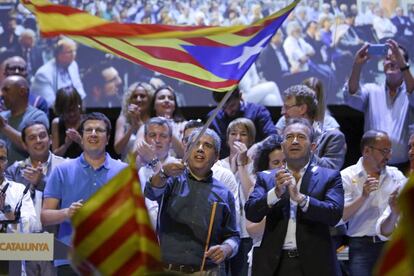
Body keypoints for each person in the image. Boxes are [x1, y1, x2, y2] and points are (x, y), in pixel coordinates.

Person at [245, 118, 344, 275]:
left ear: (313, 147)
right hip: (274, 265)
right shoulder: (266, 178)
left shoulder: (330, 176)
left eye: (301, 137)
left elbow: (334, 215)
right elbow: (251, 213)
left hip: (315, 265)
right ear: (283, 146)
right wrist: (275, 193)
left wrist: (301, 199)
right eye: (289, 137)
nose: (295, 141)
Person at [144, 128, 240, 274]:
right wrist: (163, 173)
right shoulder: (170, 180)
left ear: (216, 157)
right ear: (187, 151)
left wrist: (226, 248)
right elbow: (151, 192)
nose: (200, 149)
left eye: (207, 146)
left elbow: (233, 237)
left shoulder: (224, 194)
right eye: (196, 144)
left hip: (205, 272)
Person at [41, 112, 127, 274]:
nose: (93, 134)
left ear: (108, 138)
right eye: (88, 130)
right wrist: (67, 212)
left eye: (99, 130)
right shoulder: (62, 170)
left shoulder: (124, 171)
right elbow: (45, 217)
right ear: (82, 136)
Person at [341, 130, 406, 276]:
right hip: (361, 246)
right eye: (384, 151)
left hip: (391, 244)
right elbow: (341, 216)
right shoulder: (346, 176)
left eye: (389, 151)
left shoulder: (396, 175)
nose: (388, 156)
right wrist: (363, 197)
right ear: (366, 151)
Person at [5, 121, 66, 275]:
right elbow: (9, 208)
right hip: (22, 244)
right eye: (32, 138)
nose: (38, 140)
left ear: (51, 139)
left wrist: (42, 182)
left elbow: (68, 200)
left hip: (54, 241)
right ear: (25, 145)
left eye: (42, 136)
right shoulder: (14, 171)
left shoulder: (66, 167)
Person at [344, 39, 414, 168]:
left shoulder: (409, 92)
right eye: (387, 58)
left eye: (396, 58)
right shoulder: (371, 90)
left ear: (405, 63)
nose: (392, 61)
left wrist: (403, 66)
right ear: (383, 64)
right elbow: (351, 96)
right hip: (372, 165)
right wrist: (357, 65)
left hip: (404, 165)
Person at [215, 118, 256, 276]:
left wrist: (241, 164)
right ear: (227, 139)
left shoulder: (256, 165)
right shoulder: (217, 166)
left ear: (251, 139)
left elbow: (251, 196)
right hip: (223, 234)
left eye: (243, 134)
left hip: (246, 233)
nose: (238, 138)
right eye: (233, 133)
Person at [276, 85, 346, 170]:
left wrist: (302, 151)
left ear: (302, 109)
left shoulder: (332, 137)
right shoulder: (283, 136)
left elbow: (330, 169)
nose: (282, 112)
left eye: (287, 107)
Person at [208, 87, 276, 158]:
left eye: (232, 106)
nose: (228, 111)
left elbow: (273, 136)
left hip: (255, 161)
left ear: (240, 96)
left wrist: (257, 147)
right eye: (223, 107)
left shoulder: (257, 111)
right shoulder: (213, 117)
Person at [0, 75, 49, 164]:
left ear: (22, 91)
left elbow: (36, 147)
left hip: (28, 175)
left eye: (6, 90)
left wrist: (4, 127)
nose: (2, 94)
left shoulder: (37, 116)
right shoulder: (2, 116)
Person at [30, 38, 86, 107]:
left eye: (74, 51)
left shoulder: (73, 65)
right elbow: (51, 105)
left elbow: (80, 93)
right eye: (70, 52)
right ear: (58, 54)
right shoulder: (43, 74)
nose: (73, 55)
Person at [0, 139, 36, 234]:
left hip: (11, 246)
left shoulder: (20, 191)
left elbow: (29, 228)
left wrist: (6, 209)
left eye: (1, 159)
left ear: (7, 162)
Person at [114, 82, 154, 161]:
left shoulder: (155, 120)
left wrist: (139, 123)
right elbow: (118, 150)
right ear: (129, 100)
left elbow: (154, 145)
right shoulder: (123, 119)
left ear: (150, 99)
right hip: (127, 167)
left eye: (142, 96)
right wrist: (131, 128)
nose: (138, 99)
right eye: (134, 97)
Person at [51, 86, 84, 158]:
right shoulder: (56, 123)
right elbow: (54, 156)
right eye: (68, 110)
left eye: (74, 109)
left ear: (79, 105)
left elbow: (95, 154)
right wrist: (66, 145)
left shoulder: (88, 122)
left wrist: (79, 141)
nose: (72, 114)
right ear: (61, 110)